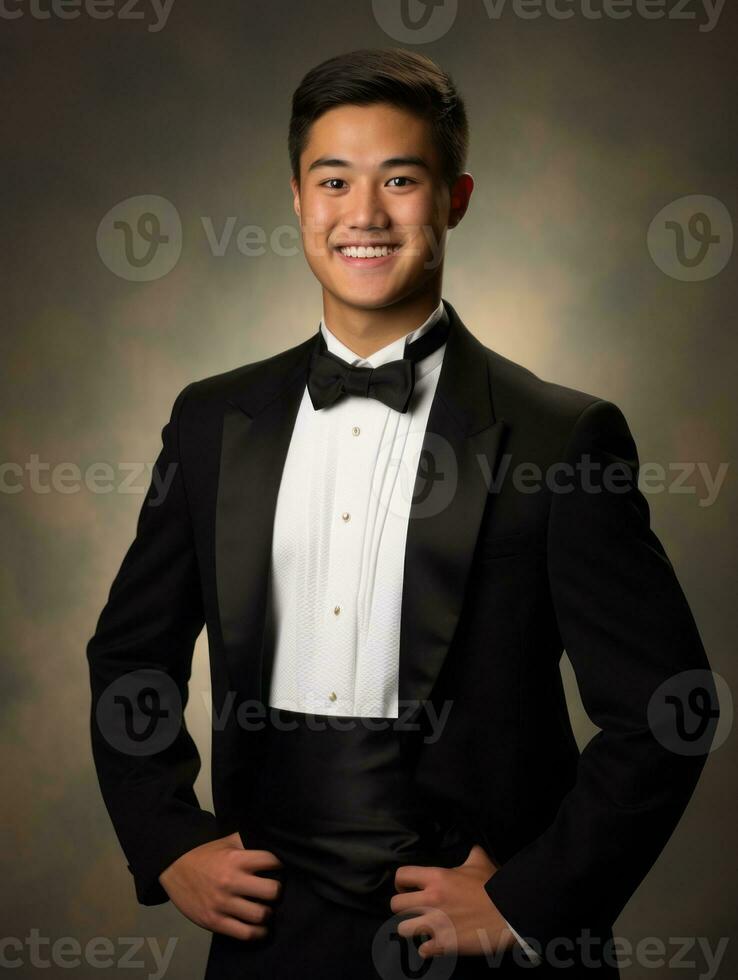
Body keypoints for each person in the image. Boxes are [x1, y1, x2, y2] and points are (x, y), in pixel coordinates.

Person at [87, 48, 719, 979]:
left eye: (402, 180)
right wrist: (168, 838)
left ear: (455, 199)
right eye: (334, 180)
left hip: (479, 940)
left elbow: (670, 711)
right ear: (299, 200)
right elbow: (130, 655)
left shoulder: (562, 437)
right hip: (268, 939)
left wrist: (527, 901)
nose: (365, 215)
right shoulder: (212, 422)